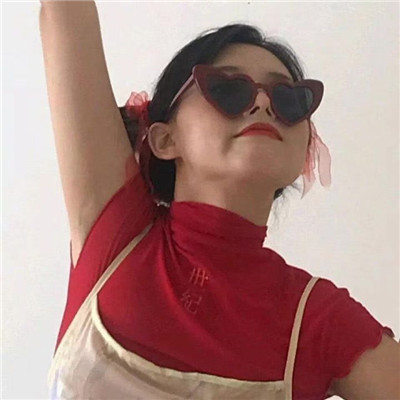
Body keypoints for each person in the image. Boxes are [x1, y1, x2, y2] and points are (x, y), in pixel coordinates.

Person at [39, 1, 398, 399]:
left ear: (304, 154)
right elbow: (65, 11)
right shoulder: (116, 234)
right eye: (229, 89)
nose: (264, 104)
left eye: (289, 99)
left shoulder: (316, 319)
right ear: (164, 139)